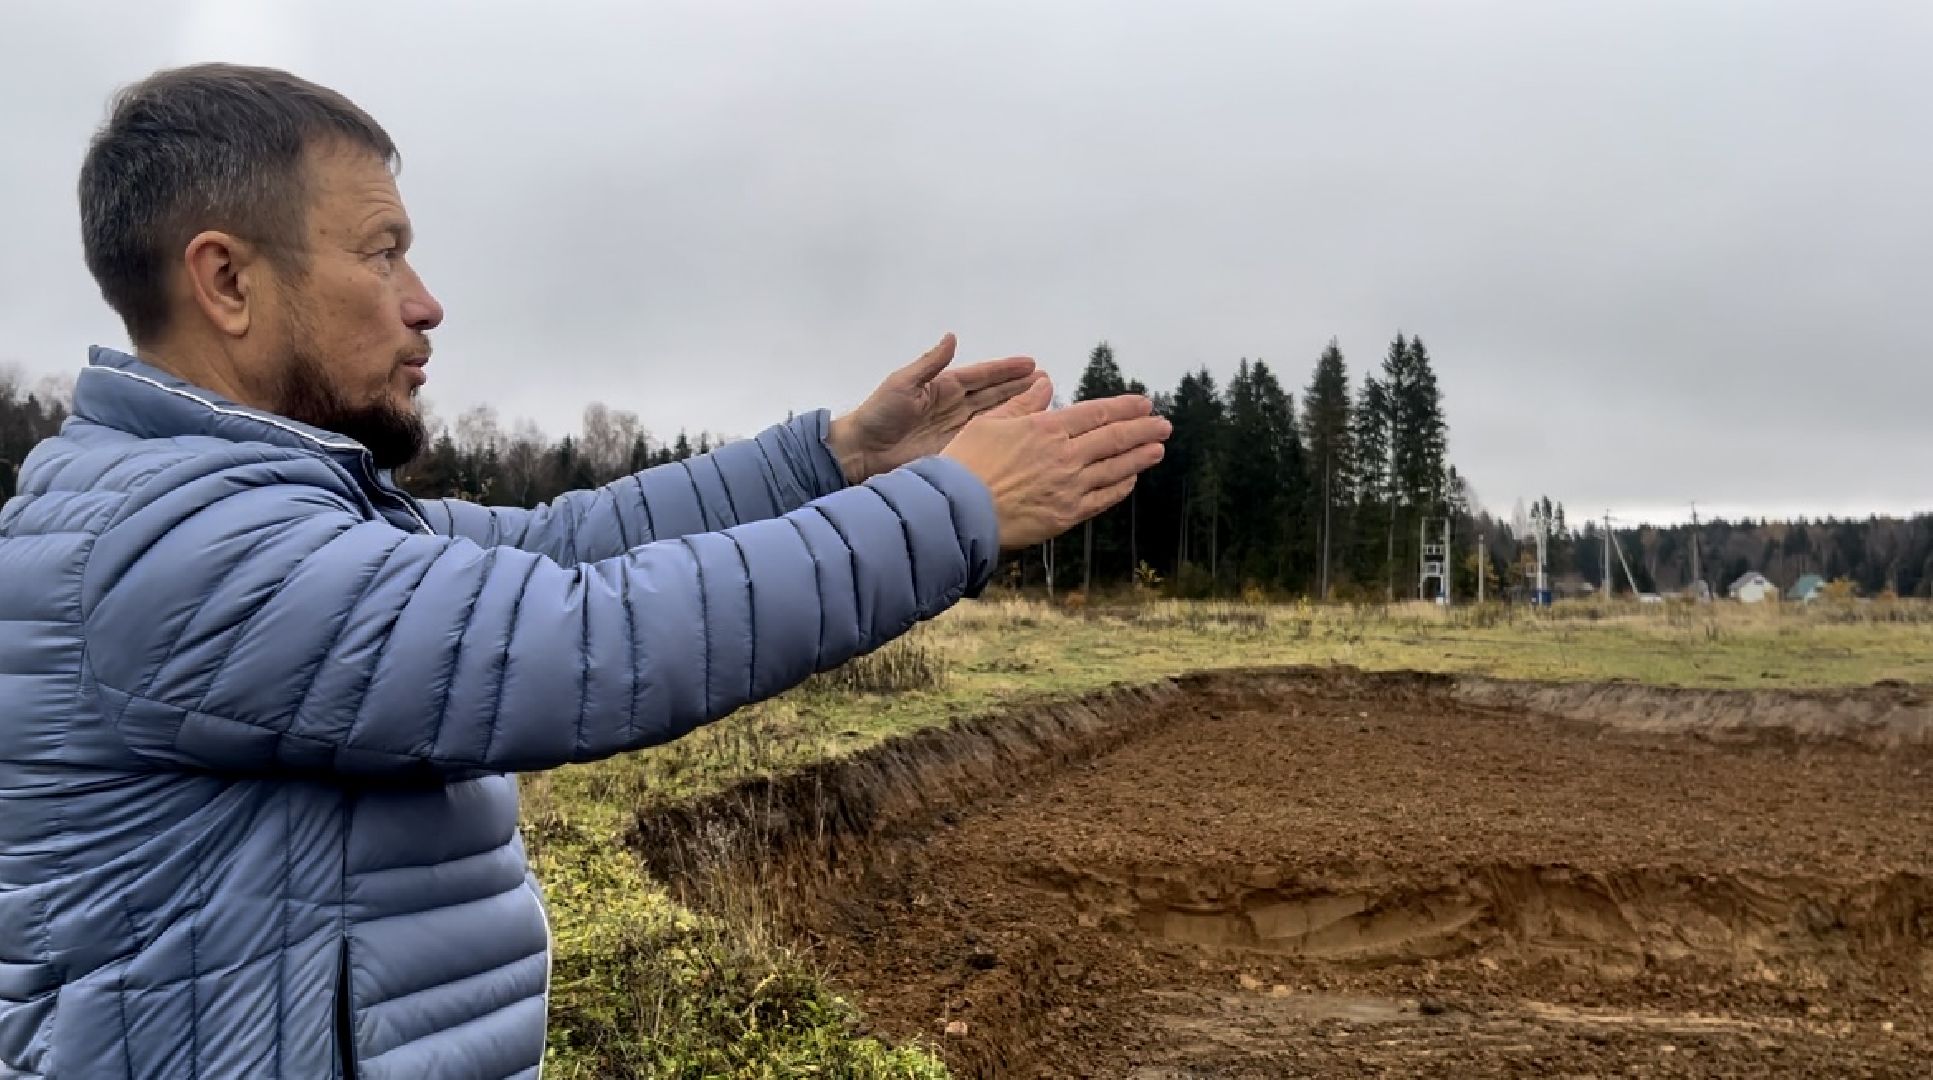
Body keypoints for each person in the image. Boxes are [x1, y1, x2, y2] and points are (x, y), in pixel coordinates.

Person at [0, 63, 1169, 1079]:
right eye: (382, 252)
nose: (425, 302)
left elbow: (554, 547)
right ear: (228, 281)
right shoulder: (179, 551)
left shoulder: (242, 509)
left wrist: (838, 462)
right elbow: (576, 639)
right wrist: (954, 508)